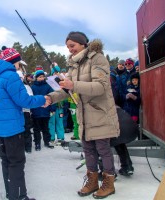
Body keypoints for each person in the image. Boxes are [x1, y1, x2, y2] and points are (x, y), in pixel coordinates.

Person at [46, 31, 119, 199]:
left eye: (72, 46)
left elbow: (101, 86)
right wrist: (50, 98)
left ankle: (109, 183)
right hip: (84, 114)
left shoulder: (97, 59)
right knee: (88, 150)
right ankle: (92, 181)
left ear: (82, 44)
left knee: (103, 149)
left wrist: (74, 84)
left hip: (100, 113)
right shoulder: (73, 64)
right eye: (68, 47)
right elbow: (67, 90)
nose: (70, 49)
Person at [0, 47, 47, 200]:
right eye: (19, 61)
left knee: (6, 160)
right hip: (13, 127)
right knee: (17, 162)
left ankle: (11, 193)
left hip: (0, 128)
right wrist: (42, 99)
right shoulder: (11, 76)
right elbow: (24, 100)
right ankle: (19, 196)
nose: (20, 64)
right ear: (14, 61)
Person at [31, 70, 56, 151]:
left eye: (43, 76)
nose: (42, 78)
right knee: (36, 129)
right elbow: (30, 99)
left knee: (46, 128)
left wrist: (52, 108)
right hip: (36, 111)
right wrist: (31, 109)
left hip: (46, 110)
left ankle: (47, 141)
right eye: (40, 77)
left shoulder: (48, 86)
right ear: (36, 78)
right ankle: (37, 143)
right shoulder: (33, 87)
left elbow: (52, 97)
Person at [17, 70, 34, 153]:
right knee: (18, 131)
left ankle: (28, 146)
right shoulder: (12, 87)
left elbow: (30, 98)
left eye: (20, 78)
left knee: (26, 129)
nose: (19, 79)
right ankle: (20, 146)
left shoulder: (26, 87)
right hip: (16, 113)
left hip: (25, 111)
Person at [49, 66, 65, 144]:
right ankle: (51, 138)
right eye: (55, 73)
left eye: (57, 73)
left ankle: (60, 138)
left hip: (59, 107)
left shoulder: (62, 82)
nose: (56, 74)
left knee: (60, 122)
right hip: (52, 107)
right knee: (51, 122)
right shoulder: (49, 82)